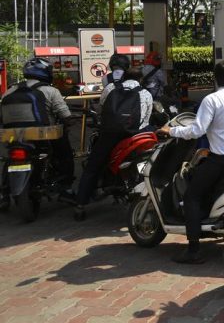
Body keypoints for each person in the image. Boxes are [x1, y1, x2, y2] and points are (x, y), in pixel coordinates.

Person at [158, 60, 224, 264]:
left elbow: (197, 130)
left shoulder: (212, 100)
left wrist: (171, 131)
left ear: (215, 78)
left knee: (192, 195)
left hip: (222, 159)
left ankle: (193, 249)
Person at [75, 66, 153, 220]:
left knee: (92, 167)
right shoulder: (145, 93)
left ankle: (80, 205)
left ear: (124, 76)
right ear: (141, 79)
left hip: (110, 135)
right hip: (135, 136)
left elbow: (102, 109)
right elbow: (146, 117)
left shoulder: (110, 88)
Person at [0, 58, 76, 207]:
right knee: (65, 154)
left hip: (14, 136)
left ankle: (4, 195)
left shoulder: (10, 90)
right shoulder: (50, 90)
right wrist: (69, 121)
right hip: (43, 136)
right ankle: (65, 189)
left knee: (10, 159)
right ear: (45, 72)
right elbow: (65, 115)